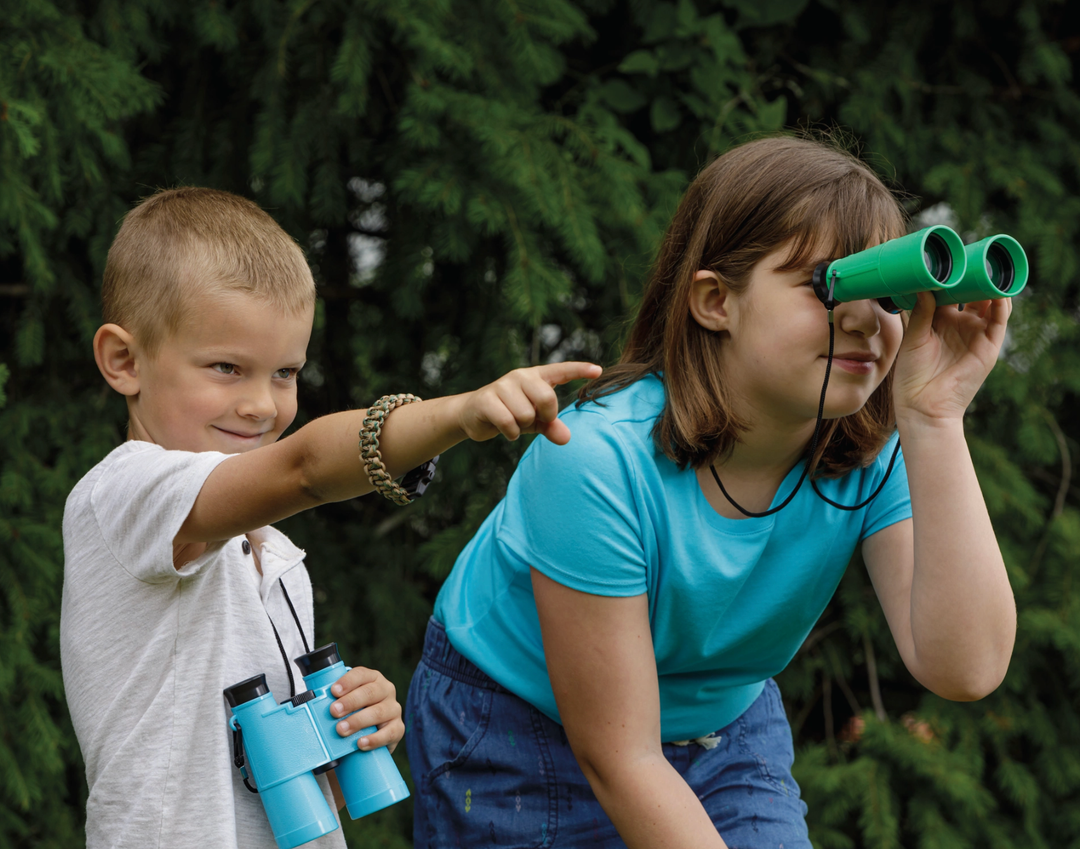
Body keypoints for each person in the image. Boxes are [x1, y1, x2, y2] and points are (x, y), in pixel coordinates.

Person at [398, 135, 1017, 848]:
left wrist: (936, 419)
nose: (863, 318)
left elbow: (965, 666)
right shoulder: (593, 461)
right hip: (514, 725)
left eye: (888, 292)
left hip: (721, 720)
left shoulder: (868, 455)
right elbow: (622, 756)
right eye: (827, 285)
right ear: (715, 300)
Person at [59, 186, 600, 849]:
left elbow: (272, 784)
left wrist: (349, 724)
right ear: (125, 361)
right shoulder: (121, 493)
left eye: (285, 372)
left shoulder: (272, 555)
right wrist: (455, 415)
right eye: (227, 367)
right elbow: (305, 467)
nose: (262, 405)